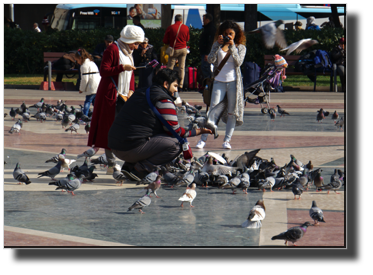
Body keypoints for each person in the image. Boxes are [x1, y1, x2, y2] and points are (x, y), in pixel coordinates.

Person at [108, 68, 212, 179]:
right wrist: (199, 131)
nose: (176, 90)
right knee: (176, 144)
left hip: (115, 145)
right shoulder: (162, 99)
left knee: (150, 135)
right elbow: (175, 131)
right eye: (175, 86)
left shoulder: (141, 92)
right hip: (129, 148)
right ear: (166, 84)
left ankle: (129, 166)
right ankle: (140, 168)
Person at [87, 25, 144, 174]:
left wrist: (132, 89)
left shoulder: (128, 51)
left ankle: (123, 162)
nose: (136, 47)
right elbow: (104, 71)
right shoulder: (113, 49)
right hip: (110, 95)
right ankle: (111, 164)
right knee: (109, 129)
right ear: (128, 40)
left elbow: (131, 72)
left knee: (123, 128)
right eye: (135, 43)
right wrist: (121, 68)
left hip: (124, 95)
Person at [196, 20, 247, 150]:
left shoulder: (240, 48)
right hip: (219, 81)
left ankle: (227, 140)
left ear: (236, 34)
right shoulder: (218, 45)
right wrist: (215, 46)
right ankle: (203, 139)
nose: (228, 36)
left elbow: (238, 62)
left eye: (231, 33)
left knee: (231, 112)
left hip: (234, 83)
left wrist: (232, 47)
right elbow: (211, 60)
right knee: (213, 109)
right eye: (225, 33)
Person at [163, 14, 190, 90]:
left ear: (175, 20)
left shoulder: (170, 27)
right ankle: (181, 84)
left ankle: (169, 82)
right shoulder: (186, 28)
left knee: (170, 67)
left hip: (174, 49)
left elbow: (165, 40)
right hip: (183, 49)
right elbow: (187, 39)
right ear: (181, 20)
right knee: (181, 67)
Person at [75, 48, 101, 116]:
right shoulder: (92, 62)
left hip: (91, 86)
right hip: (98, 85)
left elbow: (85, 79)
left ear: (80, 58)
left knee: (87, 101)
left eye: (77, 60)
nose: (77, 62)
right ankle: (97, 115)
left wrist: (81, 89)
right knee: (95, 102)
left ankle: (85, 116)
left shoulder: (84, 66)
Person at [199, 13, 216, 79]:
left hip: (206, 52)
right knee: (205, 67)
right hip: (205, 51)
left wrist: (207, 53)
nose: (203, 22)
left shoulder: (210, 29)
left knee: (205, 67)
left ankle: (209, 81)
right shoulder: (208, 28)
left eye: (204, 20)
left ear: (207, 20)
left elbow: (210, 42)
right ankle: (208, 81)